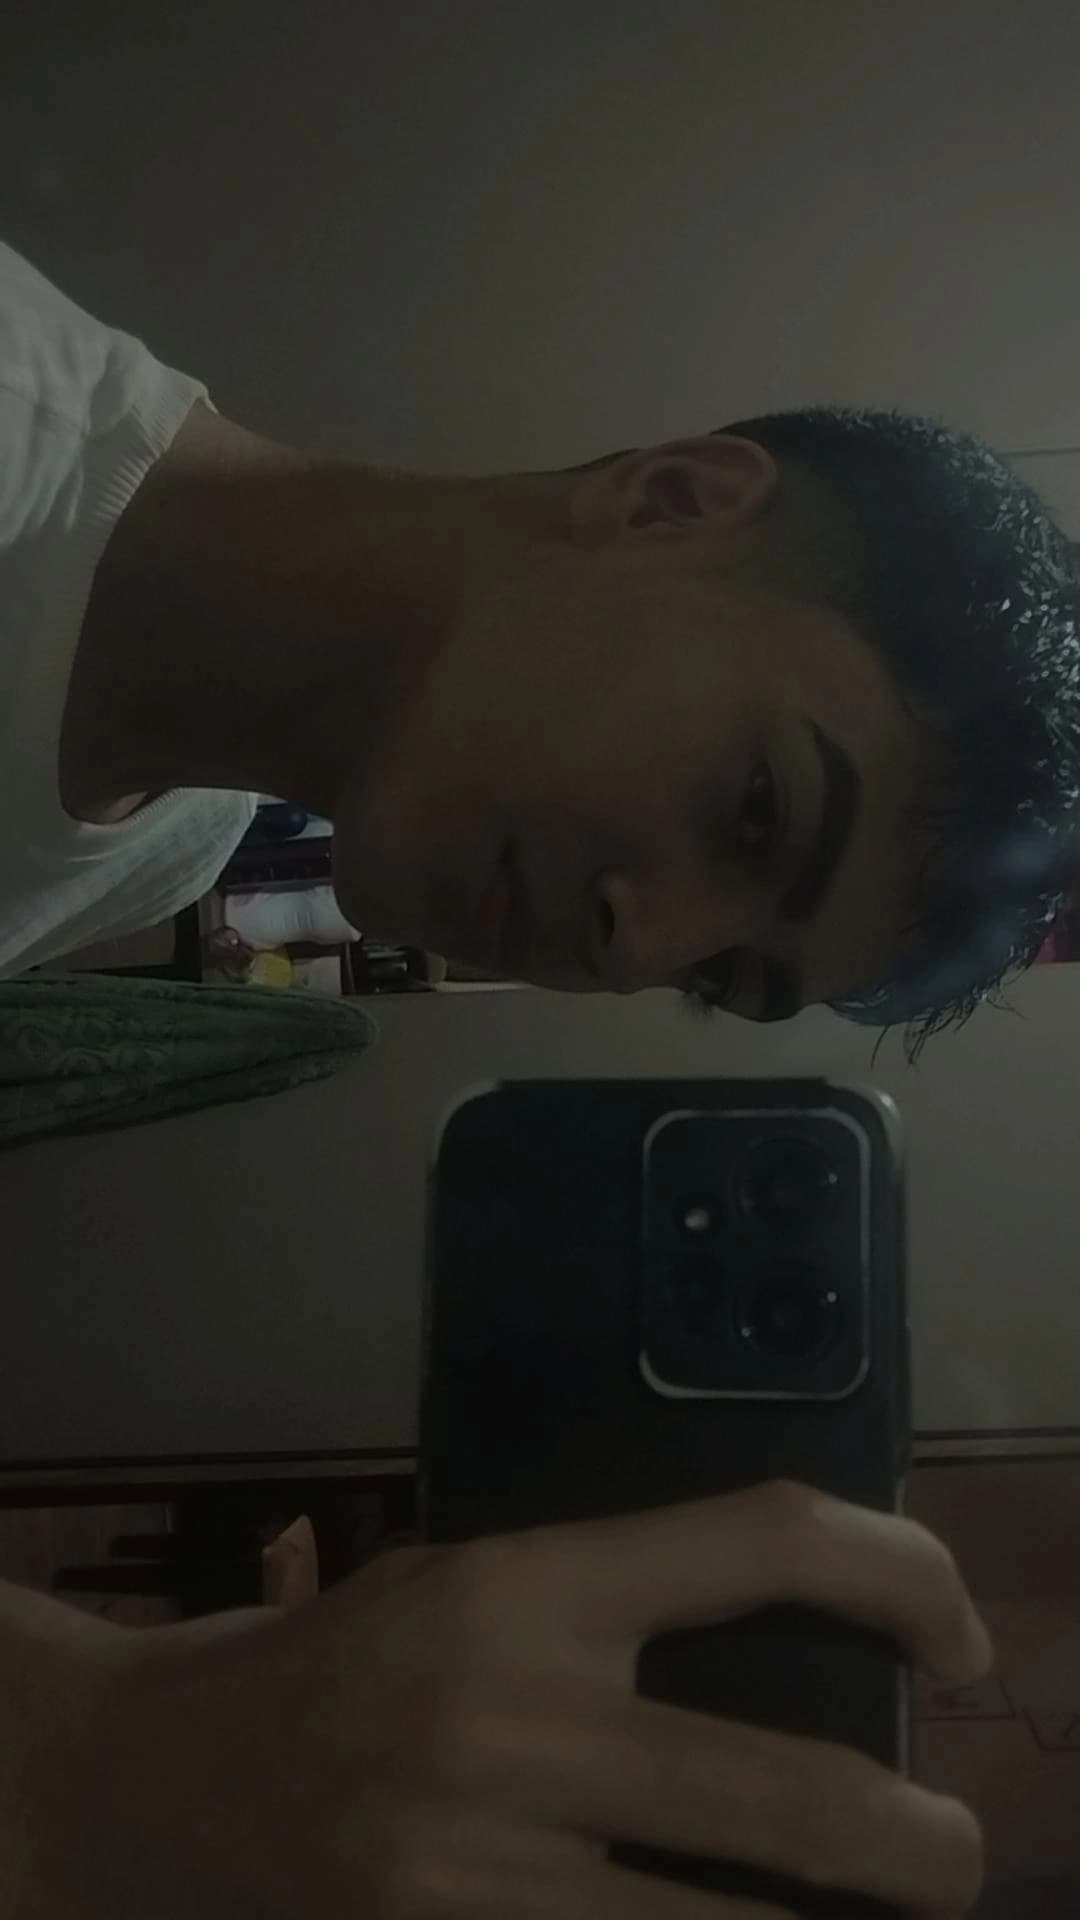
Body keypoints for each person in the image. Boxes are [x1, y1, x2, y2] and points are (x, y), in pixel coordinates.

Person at [0, 236, 1048, 1914]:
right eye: (756, 809)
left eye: (721, 980)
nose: (640, 947)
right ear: (670, 501)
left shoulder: (170, 842)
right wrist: (85, 1751)